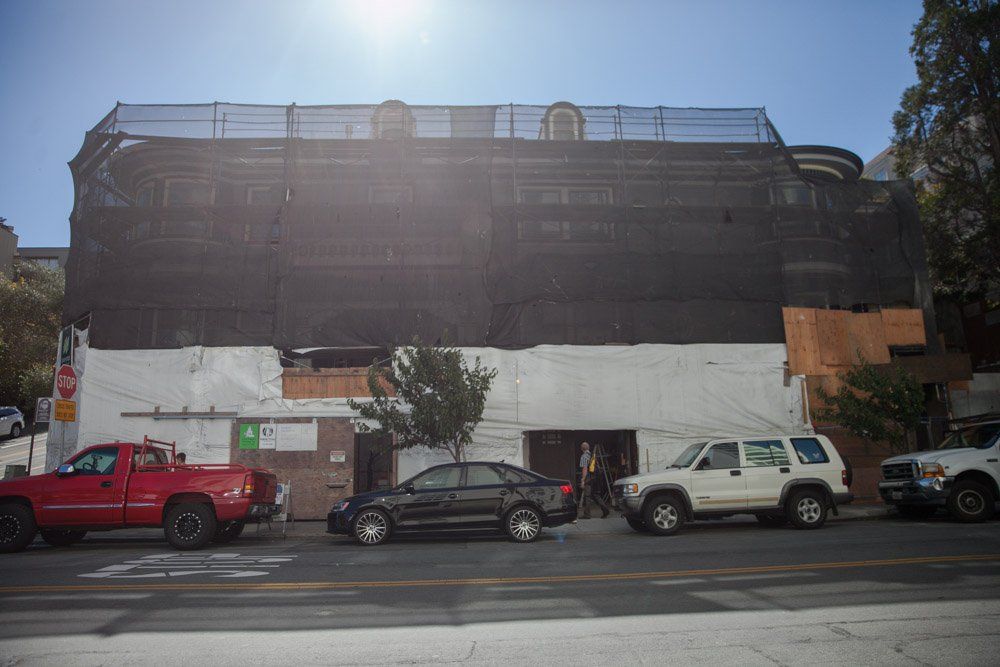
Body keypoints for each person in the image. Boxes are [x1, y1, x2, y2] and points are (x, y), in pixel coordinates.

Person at [578, 442, 609, 519]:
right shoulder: (592, 455)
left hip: (588, 478)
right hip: (596, 478)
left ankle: (587, 514)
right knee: (595, 494)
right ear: (588, 448)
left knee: (587, 496)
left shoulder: (584, 456)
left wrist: (583, 480)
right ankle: (605, 509)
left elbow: (585, 469)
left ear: (582, 449)